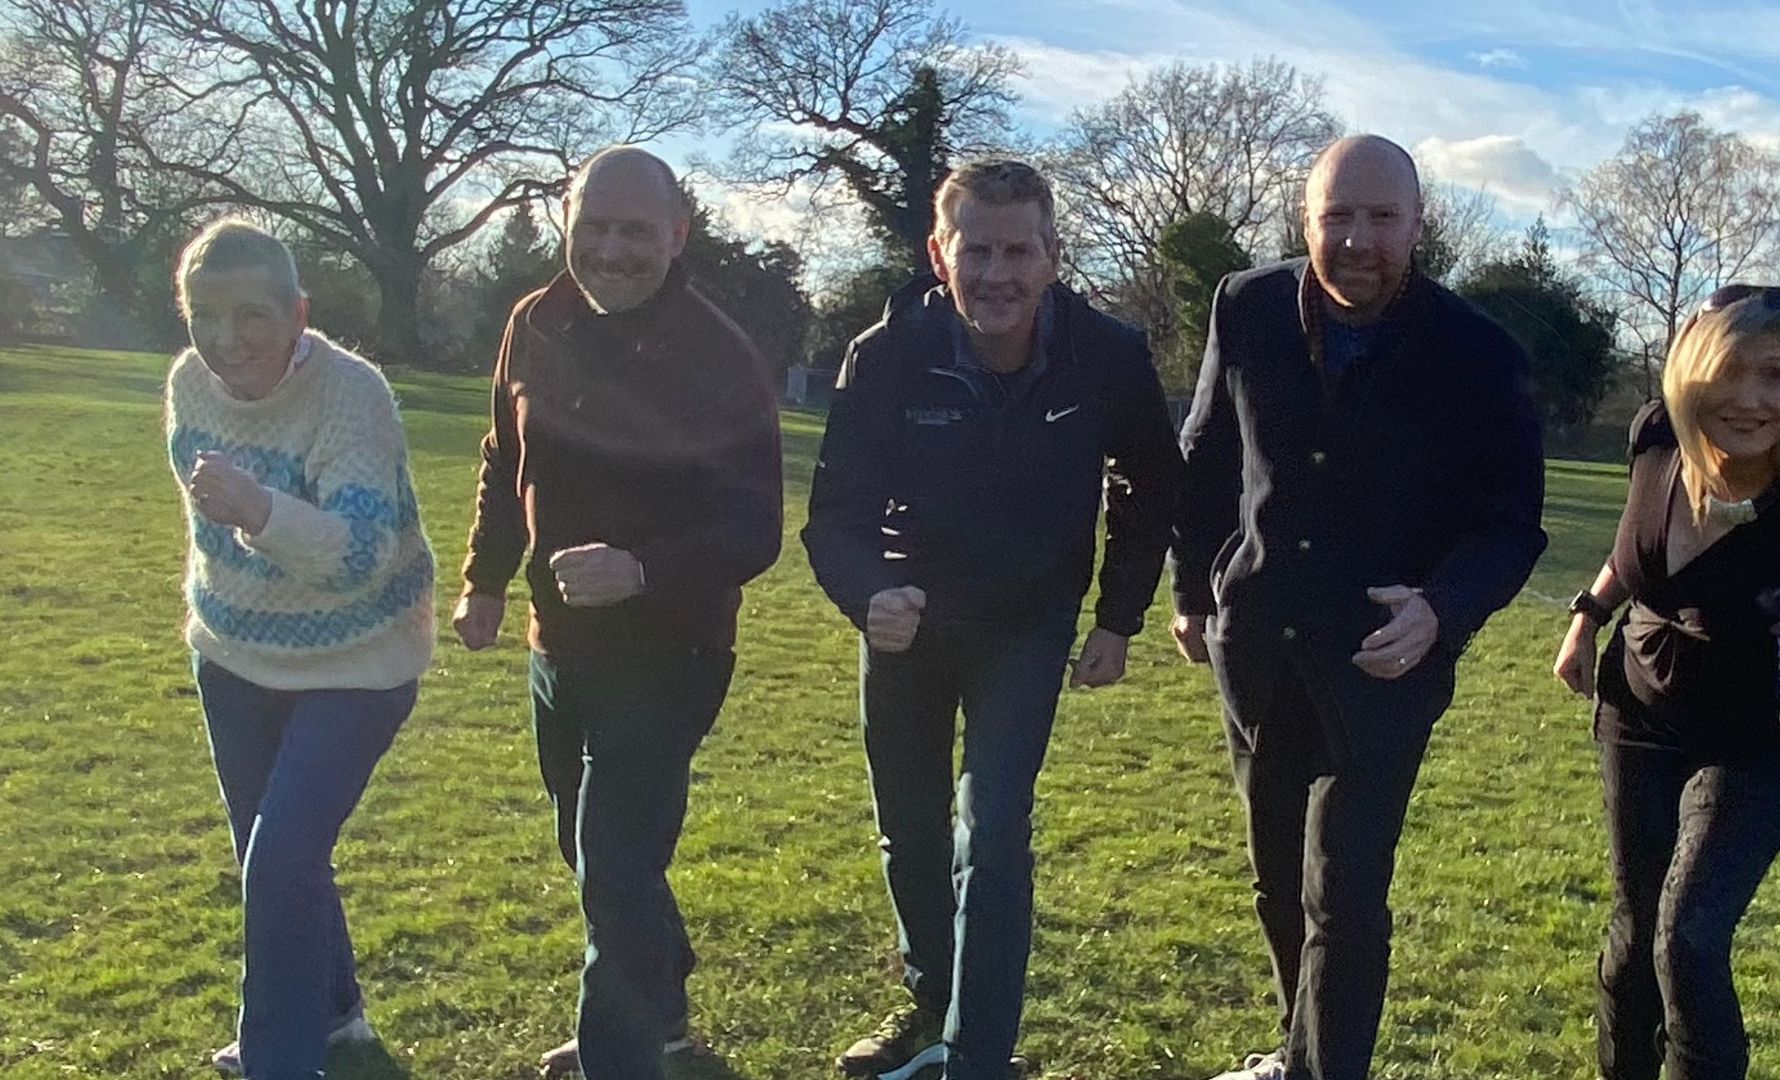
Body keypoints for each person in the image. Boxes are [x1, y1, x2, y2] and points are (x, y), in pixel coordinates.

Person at [1168, 135, 1547, 1080]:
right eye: (1338, 215)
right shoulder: (1246, 304)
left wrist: (1441, 610)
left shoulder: (1480, 353)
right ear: (1308, 220)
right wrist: (1188, 593)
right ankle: (1304, 1056)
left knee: (1343, 888)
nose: (1359, 238)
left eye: (1382, 217)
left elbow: (1509, 526)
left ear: (1419, 224)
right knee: (1275, 882)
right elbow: (1207, 457)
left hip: (1383, 664)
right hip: (1254, 643)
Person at [802, 159, 1182, 1080]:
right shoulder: (885, 353)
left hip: (1028, 622)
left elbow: (1152, 482)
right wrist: (867, 595)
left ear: (1053, 257)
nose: (998, 274)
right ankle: (931, 1008)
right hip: (909, 618)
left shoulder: (1109, 354)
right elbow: (834, 513)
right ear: (941, 254)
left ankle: (975, 1058)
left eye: (1020, 250)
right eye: (978, 249)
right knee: (911, 829)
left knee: (994, 826)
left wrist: (1118, 615)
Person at [452, 146, 783, 1080]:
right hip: (555, 646)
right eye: (594, 225)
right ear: (568, 222)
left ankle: (621, 1057)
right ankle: (664, 1002)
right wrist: (484, 577)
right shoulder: (534, 321)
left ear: (677, 236)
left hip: (672, 650)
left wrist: (642, 571)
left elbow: (754, 528)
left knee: (616, 860)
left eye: (636, 230)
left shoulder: (720, 357)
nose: (611, 249)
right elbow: (498, 453)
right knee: (585, 845)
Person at [1551, 284, 1780, 1080]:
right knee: (1635, 937)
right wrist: (1588, 614)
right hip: (1640, 705)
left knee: (1689, 938)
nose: (1747, 399)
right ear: (1688, 373)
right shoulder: (1656, 438)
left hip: (1762, 738)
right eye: (1726, 371)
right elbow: (1634, 543)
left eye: (1773, 375)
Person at [164, 218, 435, 1080]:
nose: (224, 339)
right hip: (234, 652)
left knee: (280, 861)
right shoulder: (188, 383)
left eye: (250, 316)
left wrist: (263, 513)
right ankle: (336, 1013)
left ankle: (278, 1062)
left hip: (359, 662)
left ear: (297, 315)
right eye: (204, 315)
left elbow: (359, 554)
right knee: (274, 852)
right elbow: (204, 508)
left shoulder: (351, 394)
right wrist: (251, 521)